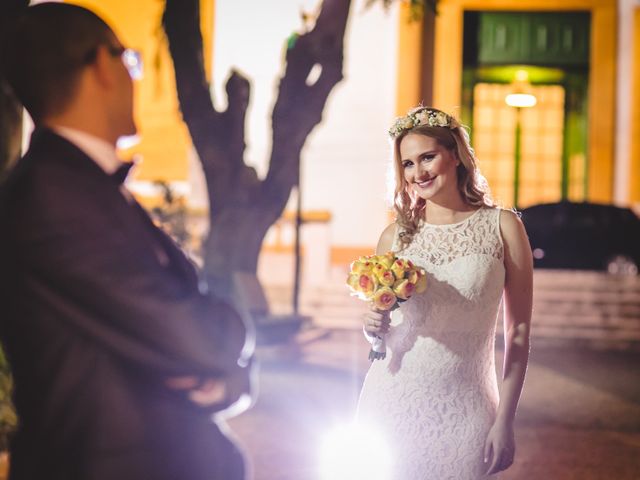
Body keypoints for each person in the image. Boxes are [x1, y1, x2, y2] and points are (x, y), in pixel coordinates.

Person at [0, 3, 254, 480]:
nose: (134, 78)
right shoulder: (52, 196)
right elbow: (195, 336)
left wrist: (218, 372)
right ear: (101, 64)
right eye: (130, 62)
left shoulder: (88, 188)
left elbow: (191, 340)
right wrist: (223, 337)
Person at [357, 106, 533, 479]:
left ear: (455, 155)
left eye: (427, 157)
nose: (418, 173)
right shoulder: (395, 237)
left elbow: (518, 333)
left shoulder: (503, 227)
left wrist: (505, 420)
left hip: (467, 407)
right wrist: (372, 326)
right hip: (391, 399)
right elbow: (381, 334)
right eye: (407, 164)